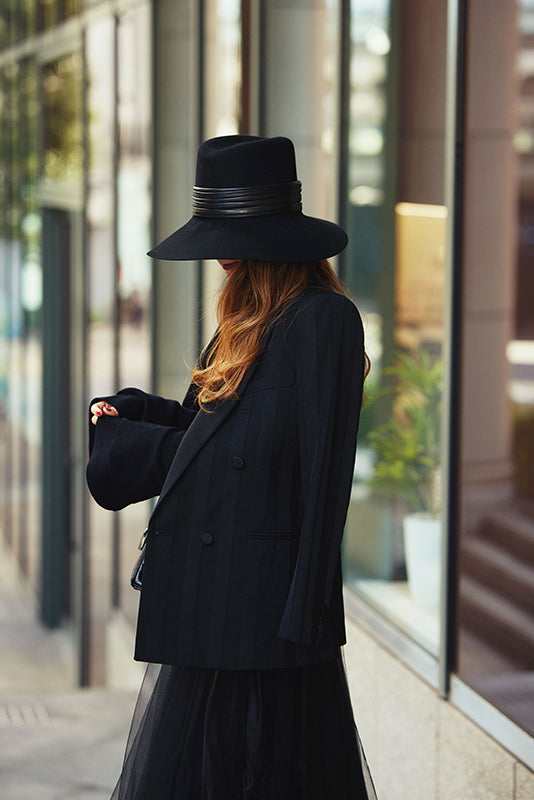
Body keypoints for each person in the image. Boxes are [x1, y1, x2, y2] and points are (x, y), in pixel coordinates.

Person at [87, 135, 377, 800]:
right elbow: (209, 430)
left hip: (271, 629)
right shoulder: (243, 317)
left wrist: (304, 621)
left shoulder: (323, 320)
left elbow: (326, 476)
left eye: (228, 229)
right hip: (215, 608)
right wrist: (126, 415)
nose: (217, 252)